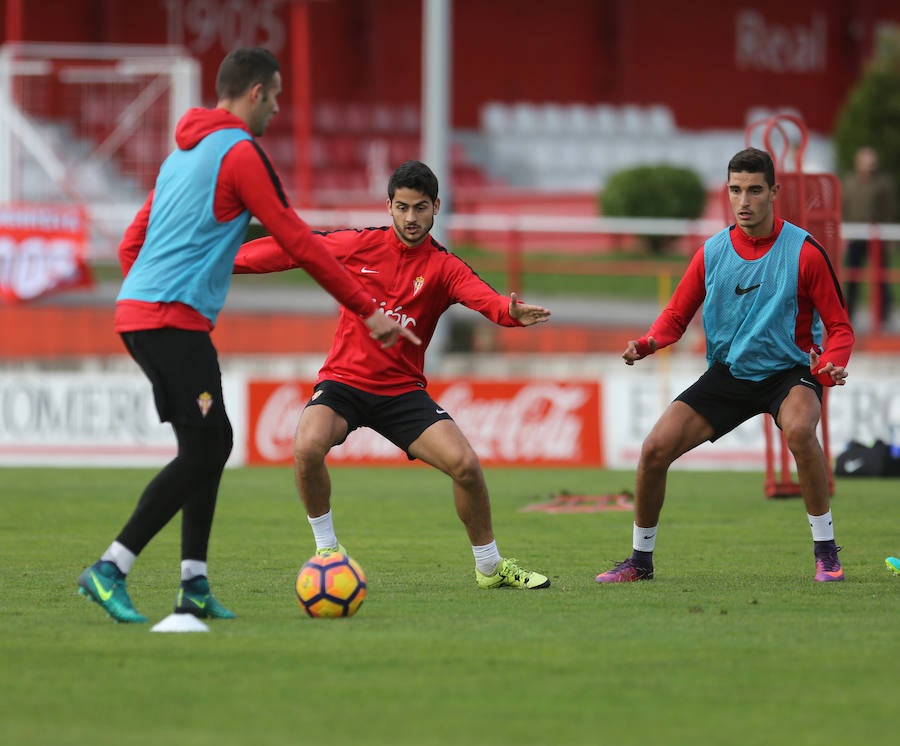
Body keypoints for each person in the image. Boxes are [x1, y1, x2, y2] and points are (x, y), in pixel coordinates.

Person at [77, 48, 418, 625]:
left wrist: (158, 284)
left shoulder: (179, 156)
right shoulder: (240, 154)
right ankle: (111, 568)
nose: (279, 108)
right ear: (255, 93)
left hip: (144, 315)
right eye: (277, 96)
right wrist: (367, 309)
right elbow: (299, 242)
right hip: (171, 320)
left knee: (210, 444)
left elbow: (129, 246)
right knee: (207, 447)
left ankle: (194, 585)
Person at [234, 159, 553, 590]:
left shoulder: (444, 267)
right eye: (402, 207)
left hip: (402, 393)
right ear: (388, 206)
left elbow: (486, 299)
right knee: (307, 446)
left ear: (436, 207)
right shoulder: (358, 244)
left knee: (466, 467)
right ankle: (328, 551)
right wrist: (225, 261)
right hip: (343, 382)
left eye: (420, 208)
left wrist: (508, 313)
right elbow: (293, 249)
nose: (411, 218)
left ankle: (490, 567)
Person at [595, 147, 855, 585]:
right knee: (654, 450)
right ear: (727, 192)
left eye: (755, 190)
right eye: (736, 190)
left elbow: (840, 328)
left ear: (775, 192)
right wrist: (648, 343)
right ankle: (640, 562)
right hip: (728, 375)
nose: (744, 200)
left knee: (799, 430)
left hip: (789, 374)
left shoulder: (806, 252)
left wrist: (831, 364)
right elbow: (676, 316)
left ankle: (826, 553)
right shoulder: (712, 252)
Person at [841, 146, 897, 326]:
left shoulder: (884, 183)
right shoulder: (849, 182)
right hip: (855, 236)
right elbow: (844, 207)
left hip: (877, 236)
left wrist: (886, 235)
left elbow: (889, 209)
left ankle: (884, 316)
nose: (869, 165)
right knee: (852, 278)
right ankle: (848, 316)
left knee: (881, 278)